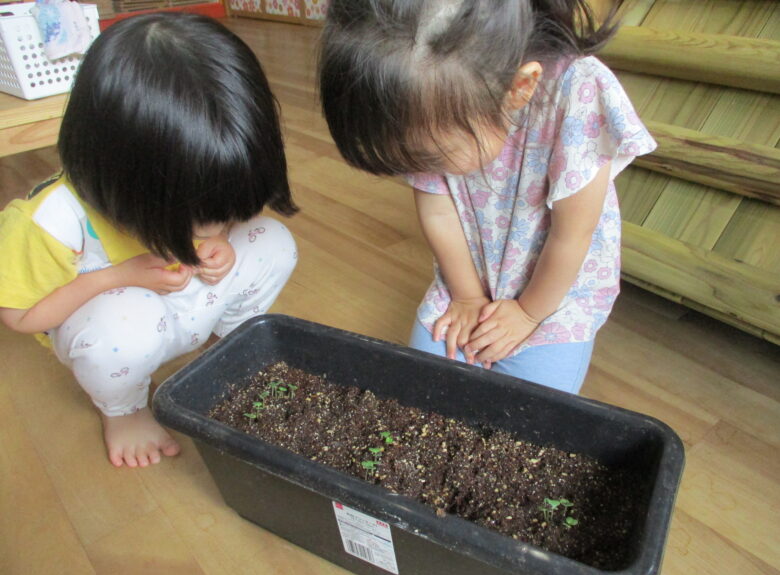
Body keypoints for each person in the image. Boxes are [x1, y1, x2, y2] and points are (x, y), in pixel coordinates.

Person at [0, 13, 298, 468]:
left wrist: (224, 245)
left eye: (222, 217)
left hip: (183, 307)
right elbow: (20, 316)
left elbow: (222, 227)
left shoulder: (188, 191)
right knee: (124, 321)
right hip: (118, 332)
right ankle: (123, 411)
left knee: (274, 239)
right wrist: (116, 277)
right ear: (125, 183)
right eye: (196, 220)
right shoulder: (52, 221)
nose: (212, 229)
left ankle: (227, 349)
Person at [319, 0, 656, 394]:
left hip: (555, 291)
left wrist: (528, 314)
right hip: (473, 270)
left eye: (431, 157)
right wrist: (465, 295)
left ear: (520, 88)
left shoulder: (576, 93)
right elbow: (439, 212)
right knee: (423, 384)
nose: (420, 170)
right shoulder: (417, 96)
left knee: (536, 407)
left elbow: (572, 235)